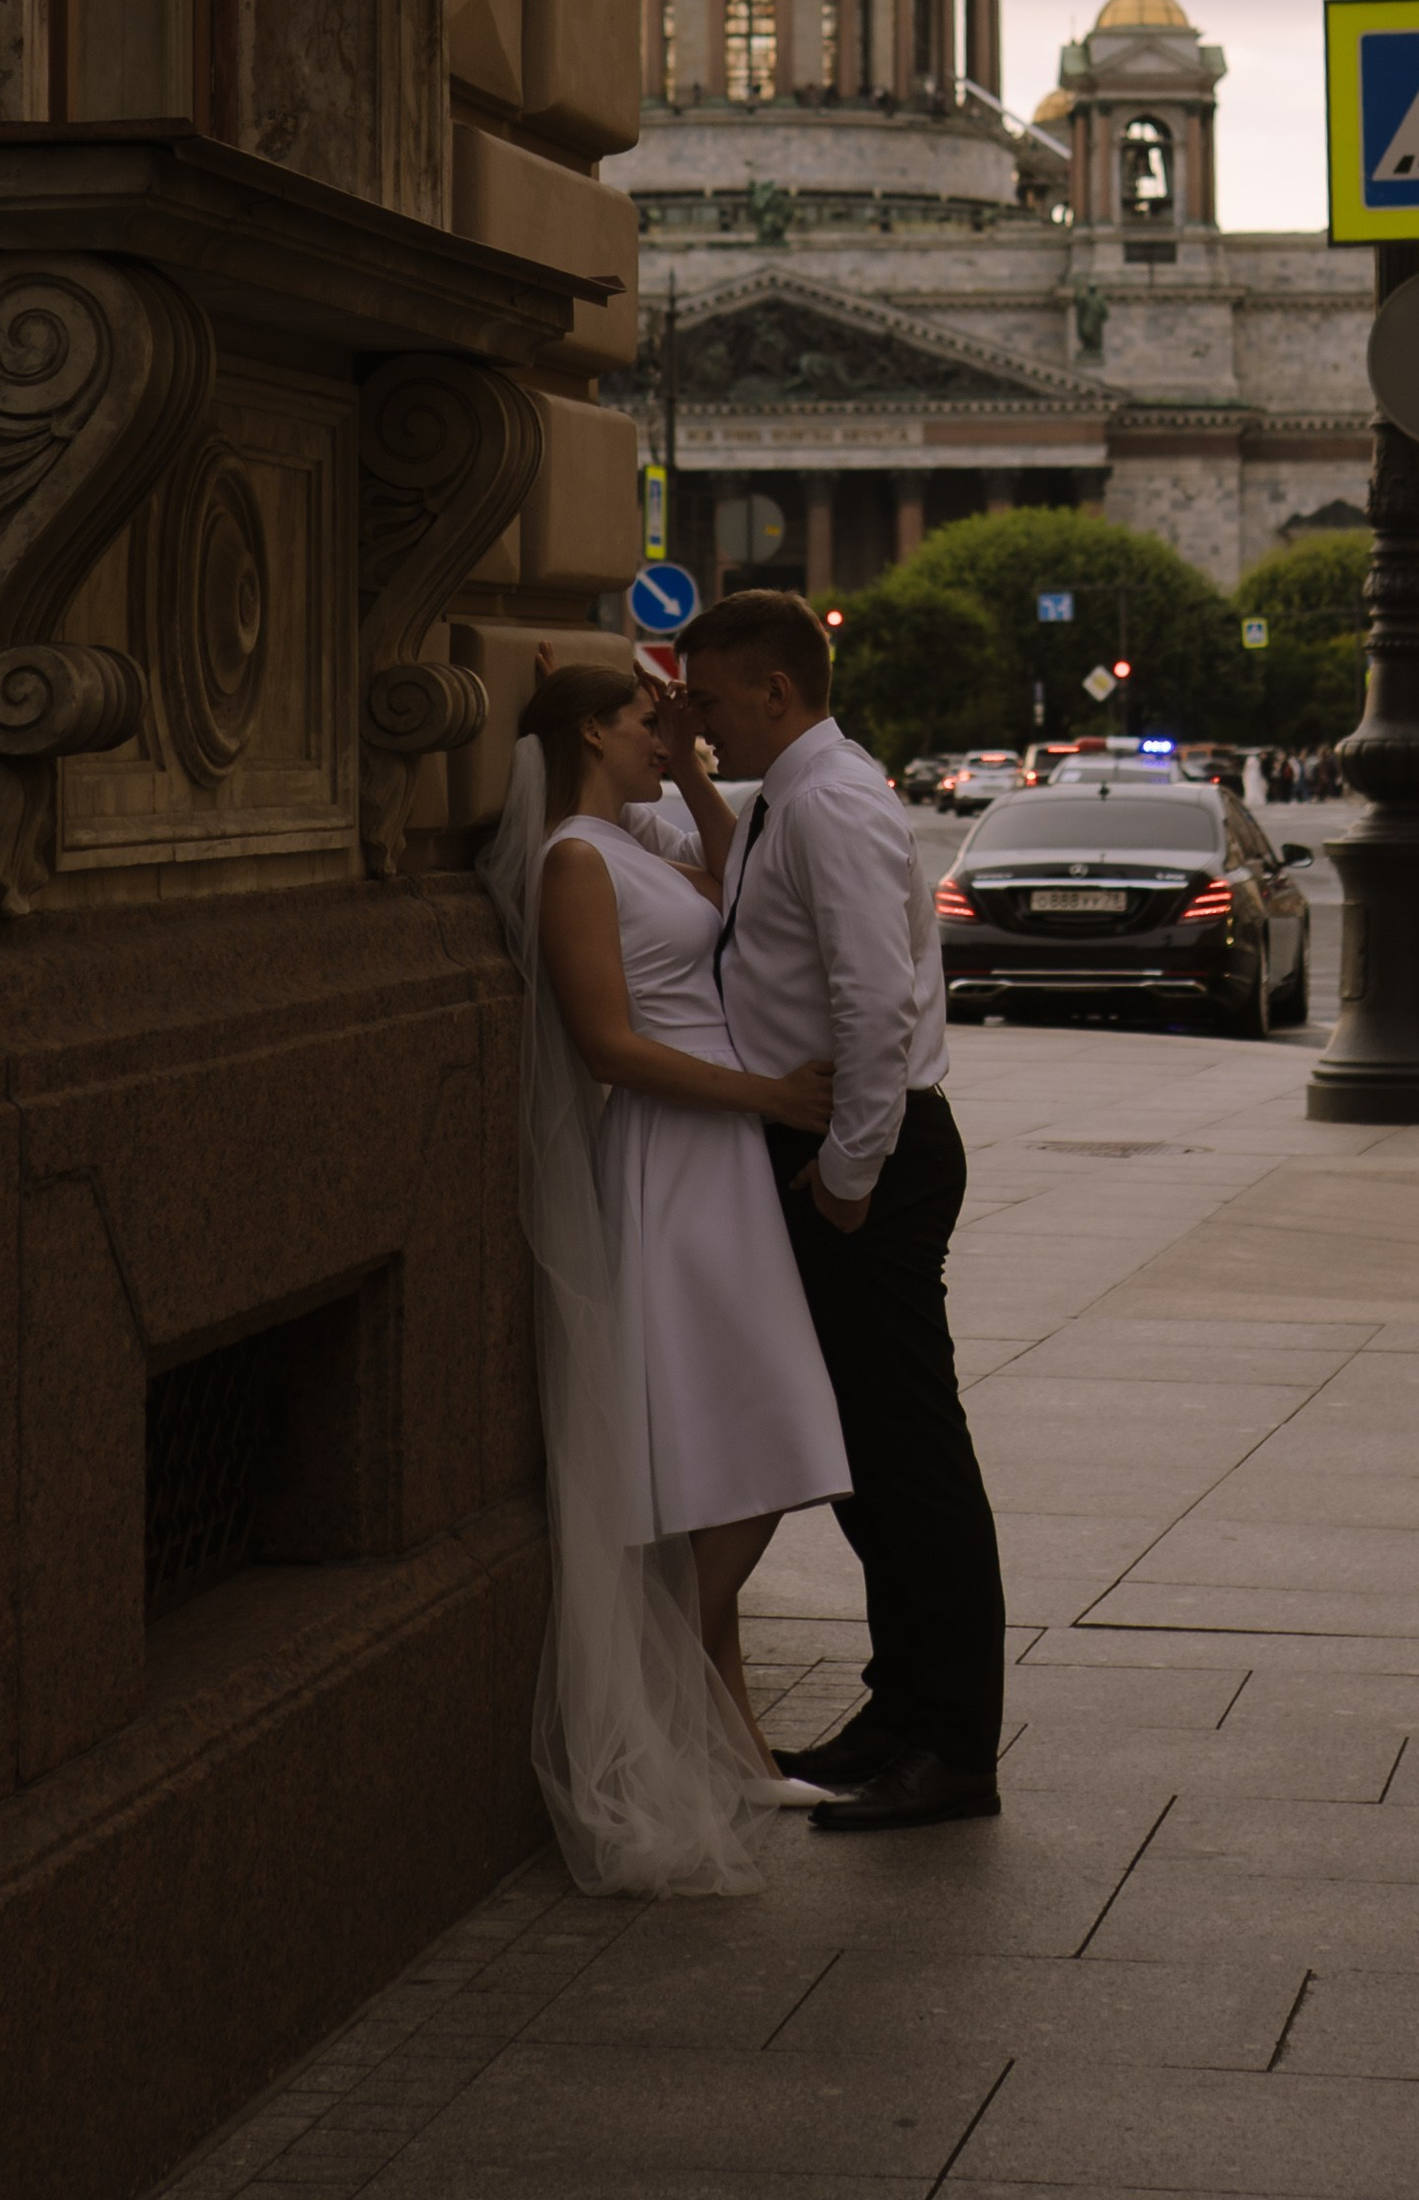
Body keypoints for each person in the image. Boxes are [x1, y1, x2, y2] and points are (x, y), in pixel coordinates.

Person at [477, 662, 851, 1896]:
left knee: (720, 1456)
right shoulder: (575, 861)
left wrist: (691, 771)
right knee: (767, 1434)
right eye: (649, 722)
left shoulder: (639, 835)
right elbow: (608, 1046)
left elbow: (736, 877)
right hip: (676, 1159)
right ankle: (650, 1680)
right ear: (591, 728)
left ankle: (731, 1745)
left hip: (720, 1158)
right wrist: (765, 1095)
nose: (670, 739)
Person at [674, 588, 1009, 1834]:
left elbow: (876, 1006)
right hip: (843, 1148)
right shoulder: (796, 799)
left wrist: (849, 1180)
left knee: (909, 1457)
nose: (699, 725)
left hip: (872, 1155)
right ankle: (901, 1711)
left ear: (774, 690)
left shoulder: (828, 802)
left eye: (709, 701)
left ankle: (954, 1748)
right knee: (868, 1461)